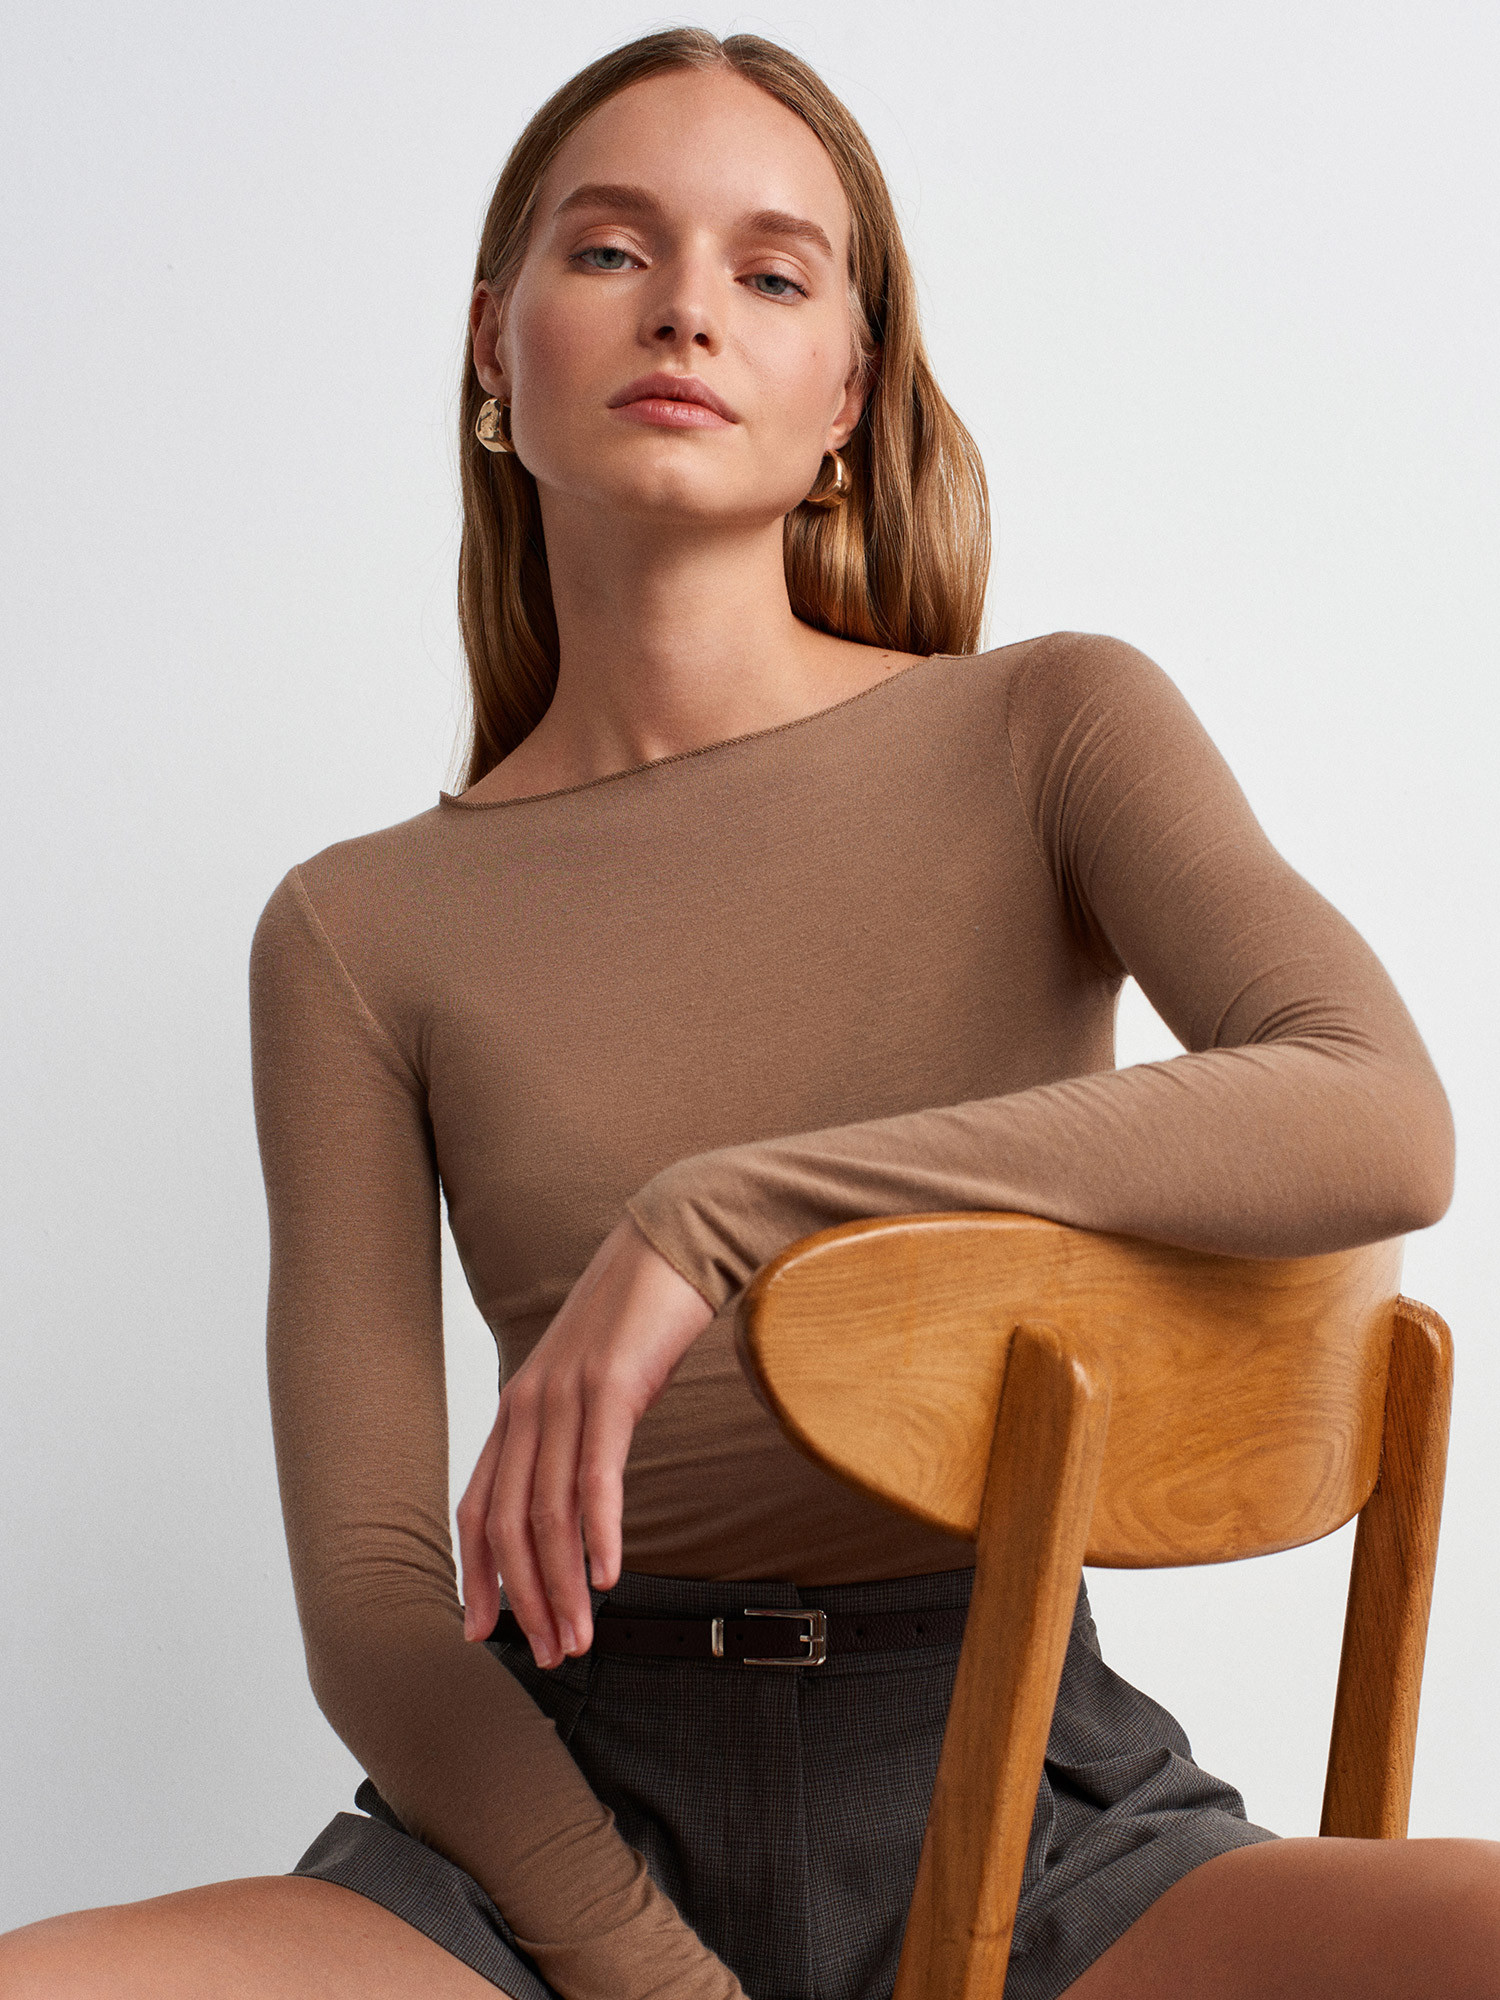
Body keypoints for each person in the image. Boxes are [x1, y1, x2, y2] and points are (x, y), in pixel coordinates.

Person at [3, 25, 1497, 2000]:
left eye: (773, 272)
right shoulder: (354, 930)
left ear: (847, 396)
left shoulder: (1053, 728)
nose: (688, 307)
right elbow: (376, 1608)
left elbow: (1375, 1112)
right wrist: (653, 1973)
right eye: (612, 249)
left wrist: (725, 1212)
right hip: (546, 1829)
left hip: (1034, 1798)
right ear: (493, 344)